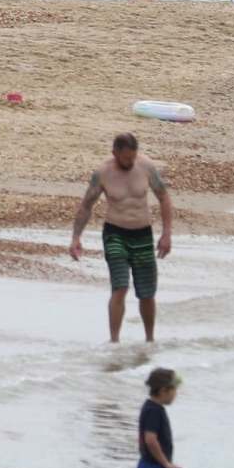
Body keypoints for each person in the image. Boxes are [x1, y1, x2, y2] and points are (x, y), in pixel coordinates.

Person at [69, 132, 174, 343]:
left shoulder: (146, 167)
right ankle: (114, 341)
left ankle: (150, 341)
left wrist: (166, 234)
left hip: (143, 233)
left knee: (146, 292)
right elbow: (86, 205)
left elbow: (164, 197)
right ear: (115, 153)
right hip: (115, 233)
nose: (130, 162)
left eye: (133, 157)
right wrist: (75, 238)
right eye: (125, 158)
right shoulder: (103, 173)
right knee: (120, 285)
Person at [136, 367, 183, 468]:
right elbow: (150, 440)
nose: (176, 394)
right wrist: (165, 463)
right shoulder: (154, 411)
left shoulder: (151, 407)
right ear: (163, 390)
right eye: (174, 390)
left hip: (151, 466)